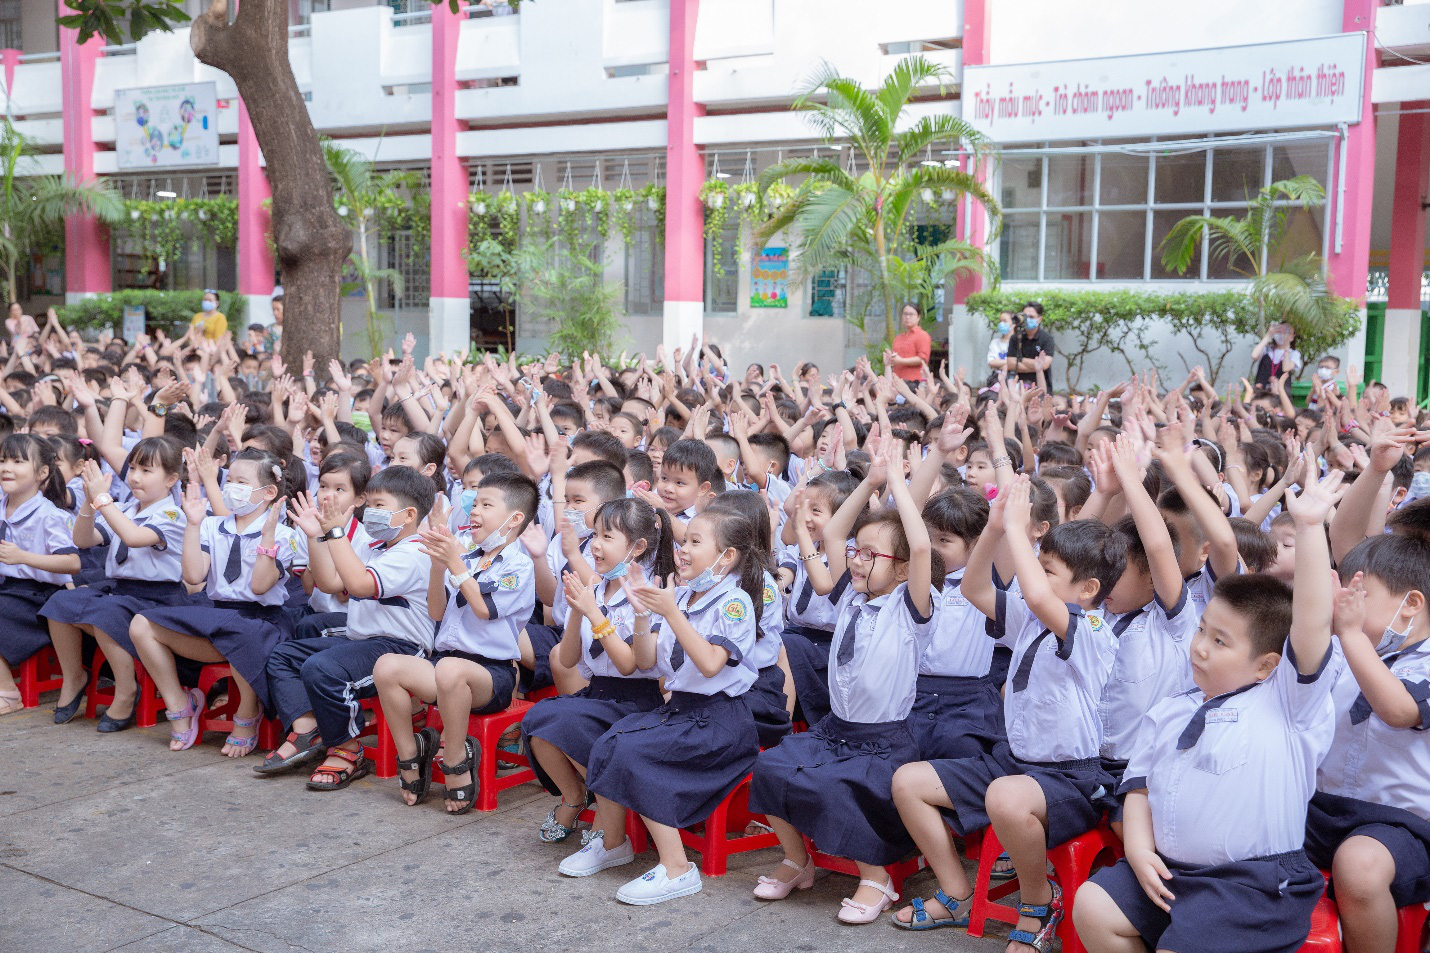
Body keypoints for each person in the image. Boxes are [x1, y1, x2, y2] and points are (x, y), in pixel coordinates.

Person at [1073, 466, 1344, 953]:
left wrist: (1308, 529)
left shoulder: (1288, 703)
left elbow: (1310, 625)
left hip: (1251, 886)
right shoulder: (1173, 710)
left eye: (1220, 641)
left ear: (1265, 665)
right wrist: (1137, 847)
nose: (1199, 647)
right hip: (1172, 873)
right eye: (1203, 630)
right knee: (1091, 905)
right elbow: (1137, 786)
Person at [889, 475, 1126, 942]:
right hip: (1012, 762)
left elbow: (1036, 594)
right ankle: (957, 892)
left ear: (1087, 589)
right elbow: (975, 589)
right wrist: (996, 529)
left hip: (1068, 776)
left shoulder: (1094, 632)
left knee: (1005, 798)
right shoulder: (1034, 616)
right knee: (907, 782)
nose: (1036, 575)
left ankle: (1039, 904)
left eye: (1049, 568)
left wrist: (1018, 528)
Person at [748, 435, 937, 922]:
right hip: (838, 729)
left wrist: (896, 481)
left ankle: (877, 880)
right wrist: (870, 479)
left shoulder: (908, 608)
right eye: (857, 551)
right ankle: (798, 860)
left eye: (871, 556)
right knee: (772, 768)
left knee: (841, 786)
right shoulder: (850, 595)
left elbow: (918, 546)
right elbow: (833, 534)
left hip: (883, 740)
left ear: (899, 571)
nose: (856, 559)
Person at [572, 504, 764, 905]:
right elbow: (646, 660)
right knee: (609, 741)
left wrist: (671, 611)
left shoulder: (735, 603)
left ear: (727, 556)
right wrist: (643, 616)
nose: (683, 549)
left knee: (635, 753)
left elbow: (712, 664)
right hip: (682, 711)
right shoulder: (687, 599)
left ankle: (678, 868)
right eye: (684, 540)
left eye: (696, 542)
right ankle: (612, 843)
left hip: (719, 722)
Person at [256, 465, 436, 790]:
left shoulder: (414, 551)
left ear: (409, 514)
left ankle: (347, 750)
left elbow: (359, 585)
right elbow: (330, 583)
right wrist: (316, 535)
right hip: (365, 640)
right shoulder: (375, 545)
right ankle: (309, 726)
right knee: (284, 656)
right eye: (371, 505)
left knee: (322, 669)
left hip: (402, 649)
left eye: (380, 506)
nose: (371, 512)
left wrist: (336, 533)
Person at [372, 472, 538, 814]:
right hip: (447, 667)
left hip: (491, 676)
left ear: (514, 518)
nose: (474, 511)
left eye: (486, 505)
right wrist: (437, 567)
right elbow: (436, 610)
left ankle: (457, 755)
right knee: (386, 665)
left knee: (448, 669)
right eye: (474, 503)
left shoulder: (518, 566)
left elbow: (482, 608)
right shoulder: (469, 558)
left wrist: (454, 562)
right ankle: (410, 753)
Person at [1303, 526, 1430, 953]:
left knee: (1358, 867)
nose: (1346, 608)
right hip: (1321, 808)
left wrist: (1353, 636)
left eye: (1362, 596)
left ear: (1411, 604)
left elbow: (1398, 710)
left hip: (1400, 824)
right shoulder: (1345, 648)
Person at [129, 447, 303, 756]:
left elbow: (261, 587)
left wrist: (266, 538)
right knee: (142, 624)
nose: (231, 487)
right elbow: (194, 577)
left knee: (245, 634)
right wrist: (193, 525)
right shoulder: (212, 525)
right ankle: (181, 705)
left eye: (242, 481)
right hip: (218, 615)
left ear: (269, 491)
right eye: (230, 479)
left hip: (262, 621)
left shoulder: (284, 535)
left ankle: (248, 715)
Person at [520, 498, 673, 843]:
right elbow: (569, 658)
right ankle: (576, 796)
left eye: (608, 537)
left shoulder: (646, 594)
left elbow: (630, 664)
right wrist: (577, 610)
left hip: (636, 702)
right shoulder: (598, 586)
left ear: (637, 548)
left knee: (566, 723)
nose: (597, 545)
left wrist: (594, 613)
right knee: (539, 720)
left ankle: (609, 817)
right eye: (596, 534)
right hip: (599, 693)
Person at [40, 440, 188, 731]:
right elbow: (83, 540)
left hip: (158, 599)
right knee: (60, 603)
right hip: (121, 592)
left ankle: (126, 690)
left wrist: (104, 502)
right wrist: (88, 501)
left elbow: (133, 537)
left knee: (105, 612)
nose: (134, 477)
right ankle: (74, 678)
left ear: (171, 479)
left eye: (146, 470)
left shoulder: (173, 514)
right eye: (132, 468)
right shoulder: (124, 508)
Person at [0, 435, 85, 716]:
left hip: (38, 596)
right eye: (3, 460)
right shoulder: (2, 505)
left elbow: (72, 562)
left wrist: (23, 557)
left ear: (42, 473)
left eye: (17, 461)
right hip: (8, 589)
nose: (7, 467)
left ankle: (9, 693)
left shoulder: (50, 515)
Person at [1006, 301, 1056, 389]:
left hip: (1040, 387)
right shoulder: (1015, 338)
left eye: (1031, 317)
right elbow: (1010, 363)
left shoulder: (1047, 338)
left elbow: (1044, 365)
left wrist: (1019, 360)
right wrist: (1037, 366)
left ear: (1039, 319)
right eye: (1025, 316)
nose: (1027, 319)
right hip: (1018, 387)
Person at [887, 303, 932, 383]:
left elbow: (922, 359)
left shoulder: (922, 335)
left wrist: (901, 361)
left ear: (918, 317)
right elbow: (895, 359)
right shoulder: (898, 338)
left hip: (915, 383)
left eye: (911, 314)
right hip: (897, 381)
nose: (907, 317)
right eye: (905, 314)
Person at [1252, 321, 1302, 387]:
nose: (1282, 334)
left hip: (1281, 393)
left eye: (1287, 332)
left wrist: (1286, 348)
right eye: (1280, 331)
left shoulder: (1294, 353)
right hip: (1262, 392)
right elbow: (1254, 355)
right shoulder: (1267, 350)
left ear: (1292, 336)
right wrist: (1268, 335)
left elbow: (1286, 368)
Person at [986, 311, 1016, 377]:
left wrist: (999, 365)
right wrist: (1010, 362)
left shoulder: (1018, 342)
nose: (1002, 324)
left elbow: (1020, 363)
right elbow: (991, 362)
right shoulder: (995, 342)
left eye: (1005, 321)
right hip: (997, 378)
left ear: (1014, 324)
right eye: (1000, 321)